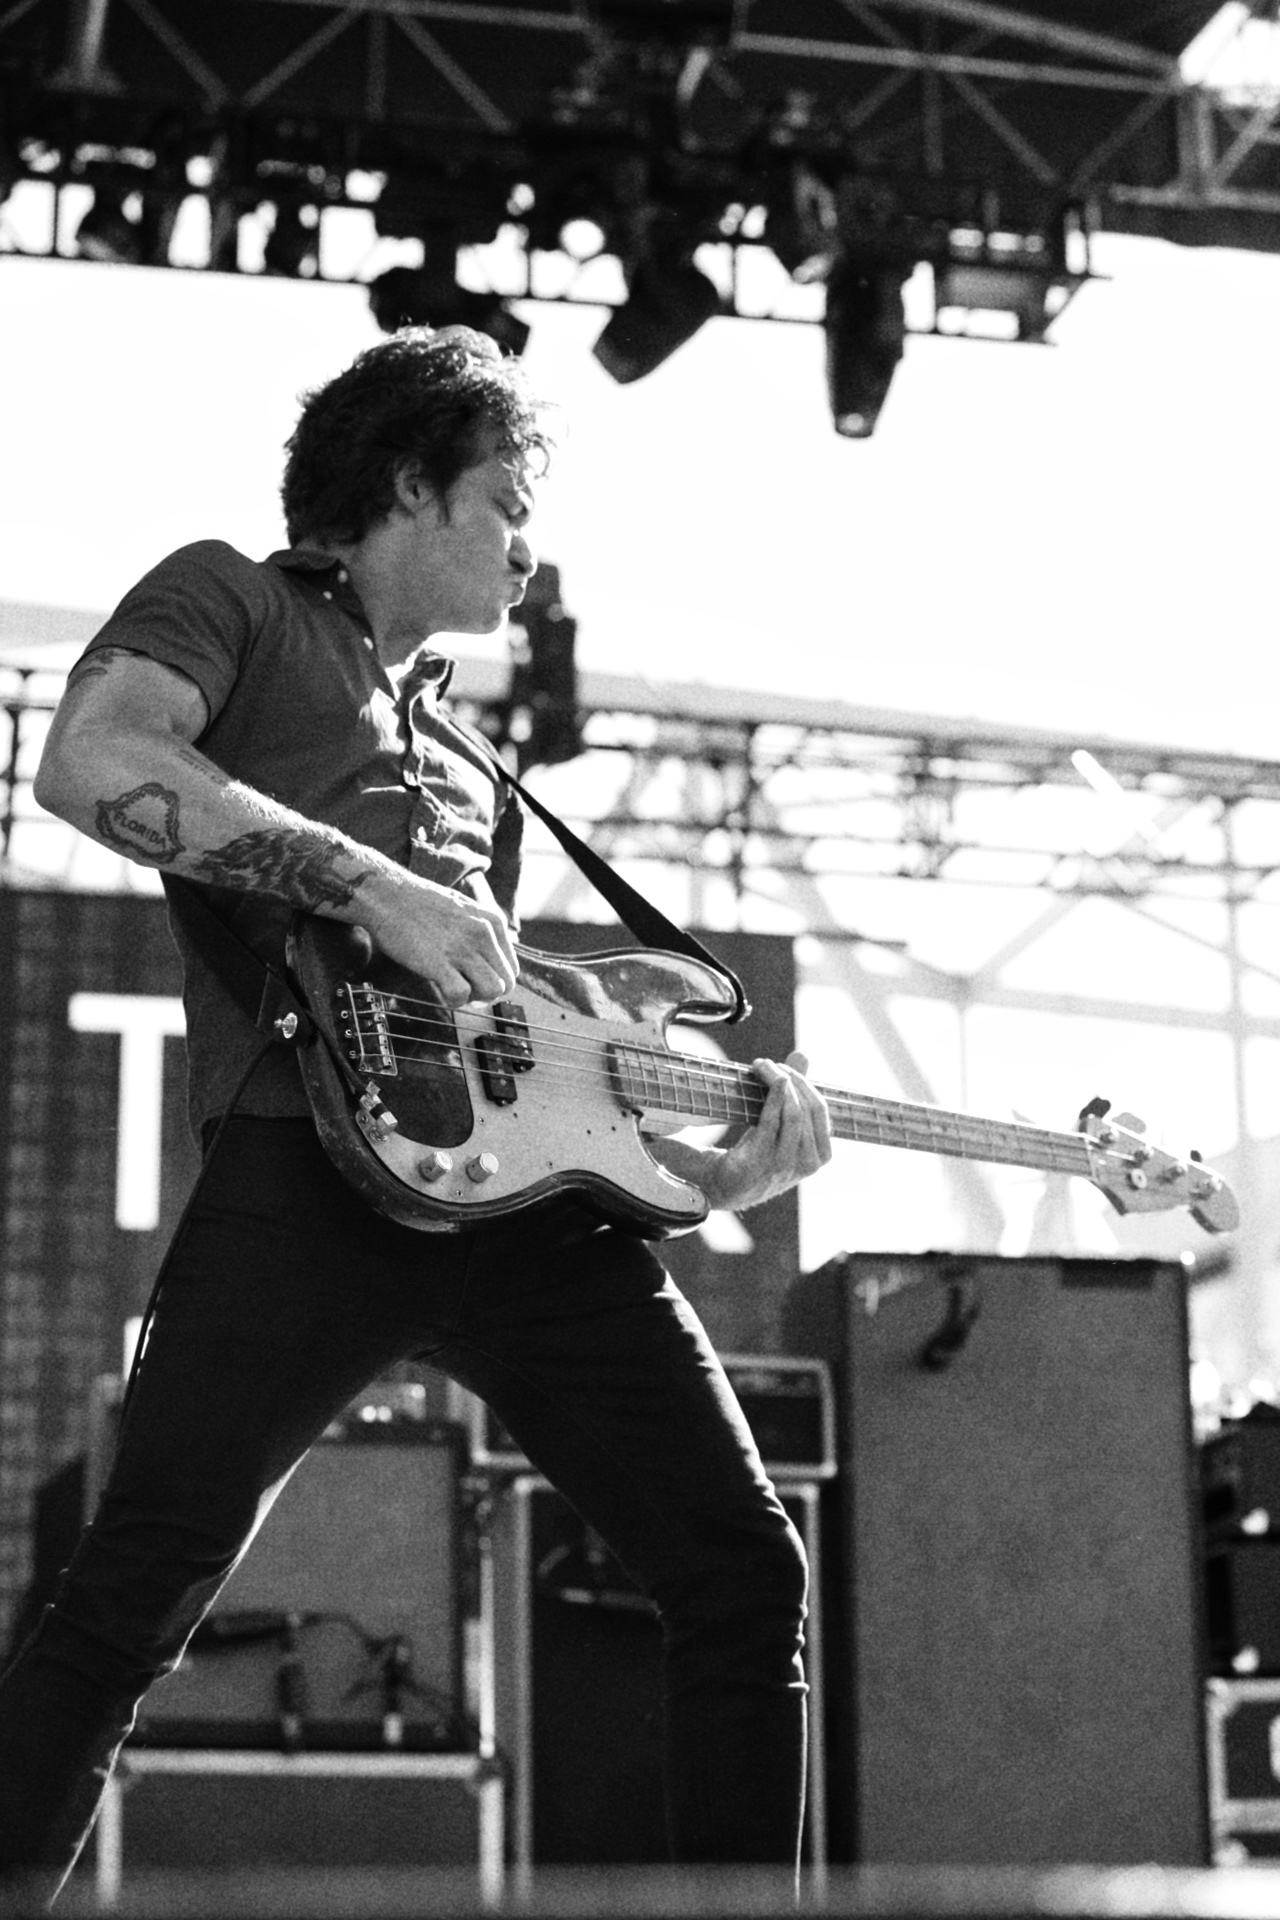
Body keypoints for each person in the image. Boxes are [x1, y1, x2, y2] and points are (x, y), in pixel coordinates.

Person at [0, 325, 832, 1904]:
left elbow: (521, 1064)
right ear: (404, 487)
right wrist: (368, 884)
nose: (528, 549)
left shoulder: (469, 752)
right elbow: (92, 761)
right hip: (301, 1175)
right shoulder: (230, 596)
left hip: (517, 1224)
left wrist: (713, 1174)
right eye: (507, 502)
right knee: (129, 1602)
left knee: (742, 1565)